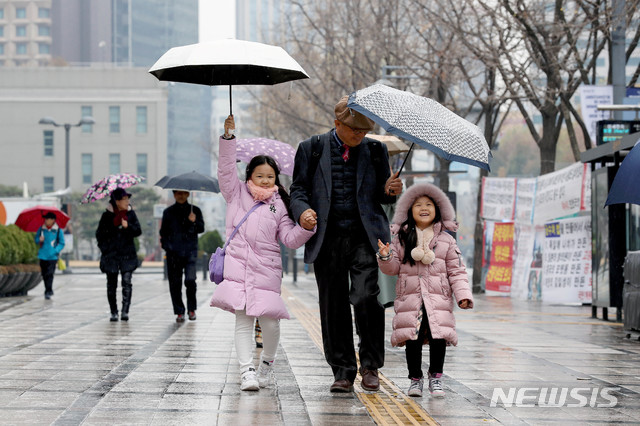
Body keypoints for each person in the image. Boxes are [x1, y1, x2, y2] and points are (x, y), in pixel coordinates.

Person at [289, 96, 403, 393]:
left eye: (364, 131)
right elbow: (297, 190)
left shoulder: (375, 150)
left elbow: (383, 194)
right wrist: (302, 212)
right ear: (337, 124)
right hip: (326, 239)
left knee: (367, 297)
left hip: (365, 237)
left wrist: (390, 191)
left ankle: (370, 365)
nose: (359, 136)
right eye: (354, 130)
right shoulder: (311, 148)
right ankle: (342, 370)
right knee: (333, 305)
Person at [210, 115, 316, 392]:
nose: (266, 180)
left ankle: (267, 363)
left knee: (270, 324)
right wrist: (228, 139)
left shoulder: (280, 205)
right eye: (260, 176)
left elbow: (290, 240)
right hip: (238, 269)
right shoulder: (235, 194)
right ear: (249, 176)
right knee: (243, 321)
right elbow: (224, 170)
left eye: (271, 177)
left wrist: (306, 227)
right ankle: (246, 371)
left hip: (267, 272)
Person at [376, 183, 473, 398]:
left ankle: (436, 378)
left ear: (438, 210)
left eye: (429, 204)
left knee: (439, 338)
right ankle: (415, 379)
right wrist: (385, 255)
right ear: (409, 211)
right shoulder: (401, 239)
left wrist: (463, 295)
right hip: (411, 300)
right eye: (418, 204)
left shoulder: (447, 241)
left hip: (438, 300)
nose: (424, 208)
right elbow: (392, 269)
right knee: (413, 339)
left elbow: (457, 271)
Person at [96, 188, 142, 322]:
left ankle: (125, 311)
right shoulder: (107, 216)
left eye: (128, 199)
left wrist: (128, 227)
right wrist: (106, 249)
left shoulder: (130, 214)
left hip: (127, 254)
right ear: (117, 201)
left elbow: (138, 231)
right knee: (111, 284)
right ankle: (114, 312)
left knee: (127, 282)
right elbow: (100, 235)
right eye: (125, 199)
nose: (127, 201)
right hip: (111, 255)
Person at [160, 190, 205, 322]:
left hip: (190, 252)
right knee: (175, 283)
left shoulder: (195, 210)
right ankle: (179, 311)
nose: (181, 196)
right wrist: (167, 246)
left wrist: (194, 221)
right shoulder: (168, 212)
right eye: (178, 193)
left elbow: (201, 228)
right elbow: (163, 232)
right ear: (174, 195)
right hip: (173, 253)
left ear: (188, 194)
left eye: (184, 193)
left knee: (190, 280)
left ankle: (192, 309)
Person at [35, 212, 65, 299]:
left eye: (48, 219)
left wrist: (55, 250)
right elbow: (36, 240)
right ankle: (47, 289)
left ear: (53, 220)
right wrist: (39, 239)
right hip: (42, 255)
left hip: (52, 256)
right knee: (44, 274)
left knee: (50, 273)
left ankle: (48, 291)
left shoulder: (58, 230)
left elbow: (62, 243)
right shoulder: (41, 229)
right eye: (46, 219)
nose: (46, 221)